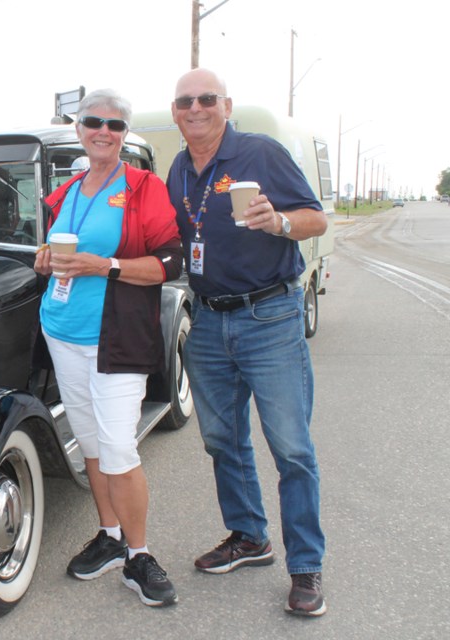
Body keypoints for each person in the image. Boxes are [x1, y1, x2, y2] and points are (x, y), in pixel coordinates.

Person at [164, 68, 329, 617]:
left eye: (206, 99)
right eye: (186, 101)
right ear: (175, 112)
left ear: (225, 105)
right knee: (222, 441)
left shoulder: (261, 153)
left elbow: (316, 219)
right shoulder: (179, 169)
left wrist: (279, 221)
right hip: (208, 321)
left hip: (270, 317)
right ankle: (248, 537)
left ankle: (305, 565)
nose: (196, 108)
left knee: (291, 449)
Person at [34, 88, 183, 608]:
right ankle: (110, 537)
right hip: (62, 332)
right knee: (92, 443)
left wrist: (109, 266)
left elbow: (170, 263)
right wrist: (46, 256)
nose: (103, 131)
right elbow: (58, 246)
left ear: (124, 135)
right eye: (94, 121)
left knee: (119, 446)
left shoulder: (143, 187)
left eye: (115, 125)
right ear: (79, 128)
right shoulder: (67, 190)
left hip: (115, 336)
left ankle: (139, 555)